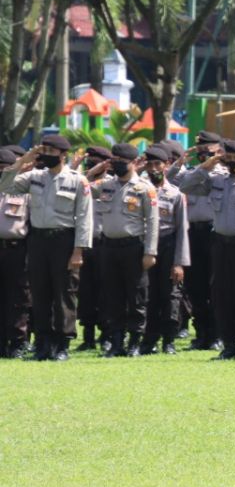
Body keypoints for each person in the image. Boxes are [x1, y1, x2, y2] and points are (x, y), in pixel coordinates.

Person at [177, 139, 235, 362]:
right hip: (221, 245)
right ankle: (229, 344)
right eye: (229, 159)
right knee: (222, 297)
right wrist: (206, 166)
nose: (233, 163)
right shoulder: (217, 180)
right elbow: (185, 187)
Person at [0, 134, 92, 361]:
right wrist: (24, 160)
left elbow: (84, 218)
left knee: (64, 294)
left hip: (64, 240)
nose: (47, 156)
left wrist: (78, 250)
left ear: (63, 155)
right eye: (45, 151)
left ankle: (62, 344)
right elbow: (5, 184)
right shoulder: (34, 177)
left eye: (52, 152)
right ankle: (43, 343)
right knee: (40, 294)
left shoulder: (77, 180)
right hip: (38, 240)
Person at [84, 143, 159, 357]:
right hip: (109, 247)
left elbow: (152, 221)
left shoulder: (145, 188)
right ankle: (117, 342)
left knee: (136, 296)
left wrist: (150, 252)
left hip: (133, 247)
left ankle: (135, 340)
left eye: (121, 161)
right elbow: (82, 186)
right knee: (112, 296)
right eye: (113, 160)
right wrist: (94, 171)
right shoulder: (106, 185)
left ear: (134, 163)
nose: (116, 164)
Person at [173, 131, 225, 351]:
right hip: (193, 233)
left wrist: (213, 165)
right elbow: (176, 183)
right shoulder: (193, 173)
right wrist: (188, 162)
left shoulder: (224, 174)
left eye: (210, 151)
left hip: (215, 234)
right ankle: (201, 333)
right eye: (201, 151)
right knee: (196, 287)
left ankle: (218, 334)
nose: (205, 155)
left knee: (217, 286)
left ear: (219, 152)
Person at [139, 145, 189, 355]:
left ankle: (168, 340)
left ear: (167, 165)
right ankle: (147, 340)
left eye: (157, 163)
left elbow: (182, 230)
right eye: (149, 164)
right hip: (143, 247)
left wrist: (179, 262)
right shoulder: (139, 189)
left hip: (167, 245)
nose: (153, 168)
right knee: (145, 295)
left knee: (170, 295)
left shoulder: (176, 194)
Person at [76, 145, 111, 351]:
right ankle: (87, 336)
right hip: (86, 244)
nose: (92, 165)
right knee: (86, 292)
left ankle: (106, 335)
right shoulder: (83, 182)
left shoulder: (112, 184)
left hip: (106, 244)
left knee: (107, 292)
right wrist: (88, 174)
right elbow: (81, 187)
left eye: (96, 161)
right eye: (90, 161)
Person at [0, 147, 30, 358]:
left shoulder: (24, 191)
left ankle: (18, 342)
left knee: (18, 298)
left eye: (4, 168)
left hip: (16, 250)